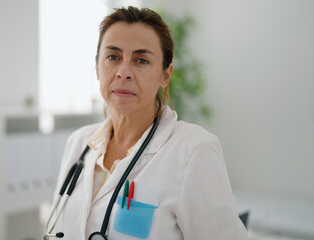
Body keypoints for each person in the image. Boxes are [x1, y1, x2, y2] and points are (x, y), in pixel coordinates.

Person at [46, 6, 248, 240]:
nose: (124, 72)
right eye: (113, 57)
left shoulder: (194, 150)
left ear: (165, 76)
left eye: (141, 60)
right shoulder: (79, 143)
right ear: (98, 69)